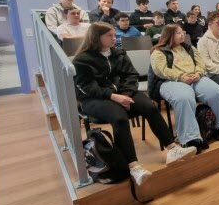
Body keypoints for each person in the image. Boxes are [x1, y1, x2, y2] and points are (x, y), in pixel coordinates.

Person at [73, 23, 192, 186]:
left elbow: (131, 75)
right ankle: (133, 166)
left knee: (149, 107)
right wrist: (114, 96)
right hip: (95, 99)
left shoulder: (118, 53)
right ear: (96, 37)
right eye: (110, 36)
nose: (115, 39)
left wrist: (126, 95)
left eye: (115, 35)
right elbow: (87, 87)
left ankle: (172, 149)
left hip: (122, 93)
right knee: (120, 118)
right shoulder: (82, 59)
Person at [151, 24, 219, 153]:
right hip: (171, 81)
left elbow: (201, 64)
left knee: (216, 92)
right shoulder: (158, 51)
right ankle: (190, 138)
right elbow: (161, 71)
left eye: (182, 32)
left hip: (194, 77)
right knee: (184, 98)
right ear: (169, 35)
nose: (182, 35)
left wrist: (198, 73)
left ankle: (217, 127)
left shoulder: (189, 48)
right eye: (178, 33)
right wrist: (181, 77)